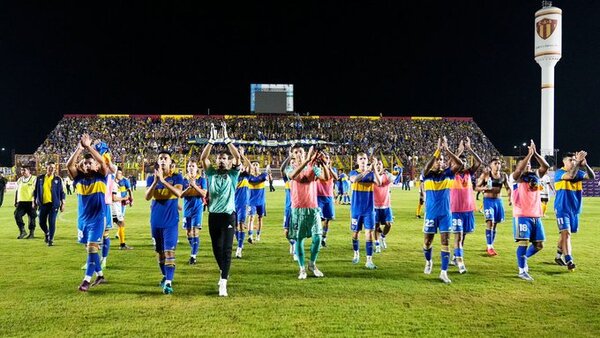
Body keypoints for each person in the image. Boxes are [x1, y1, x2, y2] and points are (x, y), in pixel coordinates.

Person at [200, 122, 243, 297]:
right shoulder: (210, 173)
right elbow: (203, 159)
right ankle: (223, 271)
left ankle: (223, 282)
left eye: (225, 158)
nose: (222, 160)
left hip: (228, 216)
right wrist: (211, 141)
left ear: (229, 161)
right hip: (213, 217)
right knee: (216, 249)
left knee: (226, 249)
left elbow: (238, 158)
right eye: (220, 158)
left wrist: (226, 139)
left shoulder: (233, 174)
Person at [67, 134, 109, 292]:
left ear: (96, 166)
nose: (87, 165)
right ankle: (100, 275)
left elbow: (103, 162)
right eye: (84, 163)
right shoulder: (78, 179)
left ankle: (86, 280)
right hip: (82, 221)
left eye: (90, 162)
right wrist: (79, 148)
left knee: (92, 249)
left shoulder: (101, 176)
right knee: (90, 251)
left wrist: (89, 147)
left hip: (98, 220)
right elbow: (69, 165)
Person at [422, 137, 462, 284]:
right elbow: (426, 168)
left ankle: (443, 273)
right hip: (431, 214)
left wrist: (447, 149)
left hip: (445, 214)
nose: (440, 162)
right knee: (427, 242)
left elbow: (460, 164)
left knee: (445, 241)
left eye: (442, 160)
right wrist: (438, 150)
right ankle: (429, 261)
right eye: (437, 160)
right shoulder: (427, 175)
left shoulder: (448, 174)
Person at [285, 145, 328, 279]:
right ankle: (302, 268)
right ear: (292, 155)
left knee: (318, 237)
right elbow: (295, 176)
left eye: (301, 152)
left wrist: (324, 165)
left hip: (313, 207)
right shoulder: (290, 168)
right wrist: (308, 160)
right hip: (298, 208)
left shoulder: (312, 167)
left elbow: (325, 177)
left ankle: (312, 264)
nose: (299, 154)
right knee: (299, 239)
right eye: (296, 152)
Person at [145, 150, 184, 294]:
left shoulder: (177, 177)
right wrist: (156, 181)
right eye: (160, 158)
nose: (162, 160)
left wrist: (163, 181)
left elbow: (179, 193)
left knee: (169, 252)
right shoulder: (151, 178)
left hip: (171, 222)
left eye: (165, 158)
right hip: (155, 221)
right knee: (159, 253)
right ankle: (165, 276)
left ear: (170, 162)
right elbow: (147, 197)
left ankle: (168, 282)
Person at [511, 140, 549, 281]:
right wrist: (528, 155)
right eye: (525, 163)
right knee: (524, 242)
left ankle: (523, 258)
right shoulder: (515, 178)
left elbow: (545, 166)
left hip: (536, 216)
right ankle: (522, 271)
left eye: (529, 164)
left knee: (539, 245)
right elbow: (519, 170)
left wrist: (535, 154)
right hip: (522, 215)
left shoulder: (535, 177)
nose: (528, 165)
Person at [553, 151, 595, 271]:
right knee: (567, 233)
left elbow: (592, 177)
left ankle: (557, 256)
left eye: (574, 160)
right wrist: (578, 162)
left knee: (564, 234)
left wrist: (585, 164)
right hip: (562, 208)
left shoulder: (579, 173)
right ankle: (569, 260)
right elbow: (570, 176)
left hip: (575, 210)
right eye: (570, 160)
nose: (573, 162)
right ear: (564, 161)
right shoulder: (559, 173)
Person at [449, 137, 482, 273]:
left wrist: (469, 149)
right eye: (460, 161)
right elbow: (451, 163)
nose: (463, 163)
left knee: (463, 236)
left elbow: (479, 162)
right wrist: (459, 151)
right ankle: (461, 264)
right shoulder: (451, 174)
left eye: (465, 161)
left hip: (468, 210)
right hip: (455, 209)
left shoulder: (469, 173)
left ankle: (455, 256)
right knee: (459, 236)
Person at [349, 153, 381, 269]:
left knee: (369, 234)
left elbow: (379, 182)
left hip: (369, 209)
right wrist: (367, 170)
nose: (363, 160)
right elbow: (355, 180)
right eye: (361, 159)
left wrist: (375, 168)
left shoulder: (371, 174)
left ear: (368, 160)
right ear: (357, 161)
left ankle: (369, 260)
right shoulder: (353, 172)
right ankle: (356, 253)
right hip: (356, 209)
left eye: (365, 159)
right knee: (355, 233)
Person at [476, 158, 511, 256]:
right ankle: (489, 247)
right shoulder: (486, 175)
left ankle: (491, 244)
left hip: (498, 201)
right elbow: (476, 187)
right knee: (490, 222)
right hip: (488, 201)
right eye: (495, 163)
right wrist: (484, 188)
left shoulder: (503, 176)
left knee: (495, 224)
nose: (498, 165)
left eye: (499, 163)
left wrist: (510, 197)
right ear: (491, 165)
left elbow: (508, 187)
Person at [33, 162, 65, 246]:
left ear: (55, 169)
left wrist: (63, 203)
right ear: (46, 167)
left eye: (53, 167)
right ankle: (47, 233)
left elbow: (62, 192)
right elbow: (35, 191)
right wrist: (34, 201)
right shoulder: (40, 178)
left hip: (54, 204)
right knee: (41, 222)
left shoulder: (58, 179)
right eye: (50, 167)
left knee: (52, 222)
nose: (51, 168)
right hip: (42, 204)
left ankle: (51, 239)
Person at [181, 159, 207, 265]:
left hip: (197, 209)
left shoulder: (201, 180)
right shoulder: (183, 180)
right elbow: (180, 194)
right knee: (188, 233)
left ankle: (193, 256)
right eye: (189, 166)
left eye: (193, 166)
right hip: (187, 209)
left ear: (197, 168)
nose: (191, 168)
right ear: (187, 168)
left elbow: (204, 194)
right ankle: (194, 248)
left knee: (195, 231)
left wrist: (195, 186)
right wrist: (189, 188)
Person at [317, 152, 337, 248]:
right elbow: (324, 178)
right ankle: (318, 239)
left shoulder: (332, 170)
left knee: (327, 220)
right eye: (325, 157)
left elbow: (336, 178)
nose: (326, 159)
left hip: (328, 197)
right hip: (318, 197)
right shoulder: (317, 170)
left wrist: (328, 167)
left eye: (327, 157)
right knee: (319, 219)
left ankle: (323, 239)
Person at [280, 148, 297, 261]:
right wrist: (289, 157)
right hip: (288, 208)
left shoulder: (300, 177)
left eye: (293, 162)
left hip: (298, 207)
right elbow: (282, 169)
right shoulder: (287, 179)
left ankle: (296, 248)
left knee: (297, 230)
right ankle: (292, 242)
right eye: (291, 163)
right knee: (286, 232)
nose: (292, 164)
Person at [234, 147, 251, 258]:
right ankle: (240, 241)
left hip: (243, 204)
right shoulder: (233, 175)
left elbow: (249, 166)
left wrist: (242, 155)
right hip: (232, 204)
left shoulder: (245, 176)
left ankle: (239, 249)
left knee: (241, 225)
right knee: (235, 226)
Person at [373, 161, 394, 253]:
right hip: (375, 205)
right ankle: (377, 244)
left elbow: (394, 179)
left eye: (379, 164)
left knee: (388, 224)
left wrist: (387, 173)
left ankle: (382, 237)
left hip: (386, 205)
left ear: (382, 166)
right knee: (376, 226)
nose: (378, 165)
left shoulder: (386, 176)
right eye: (376, 164)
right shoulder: (371, 176)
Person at [247, 161, 268, 242]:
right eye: (253, 165)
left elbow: (265, 178)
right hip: (251, 202)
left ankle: (258, 235)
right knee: (251, 218)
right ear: (251, 166)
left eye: (257, 164)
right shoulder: (249, 176)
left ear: (259, 166)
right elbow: (254, 181)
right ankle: (250, 236)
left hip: (261, 201)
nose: (255, 166)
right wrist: (262, 179)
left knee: (260, 218)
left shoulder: (263, 175)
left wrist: (266, 177)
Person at [14, 167, 37, 239]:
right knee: (17, 215)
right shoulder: (20, 180)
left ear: (29, 171)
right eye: (21, 170)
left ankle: (31, 233)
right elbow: (17, 191)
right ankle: (22, 231)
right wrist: (16, 201)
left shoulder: (34, 179)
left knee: (32, 217)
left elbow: (36, 191)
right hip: (21, 202)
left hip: (31, 202)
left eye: (24, 170)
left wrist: (34, 201)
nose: (22, 171)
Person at [115, 168, 134, 249]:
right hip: (115, 205)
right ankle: (122, 244)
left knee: (120, 221)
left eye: (120, 173)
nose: (119, 174)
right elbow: (114, 198)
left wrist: (130, 200)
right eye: (118, 173)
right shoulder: (114, 183)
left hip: (121, 204)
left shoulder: (125, 181)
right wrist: (124, 198)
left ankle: (98, 242)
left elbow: (130, 191)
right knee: (120, 222)